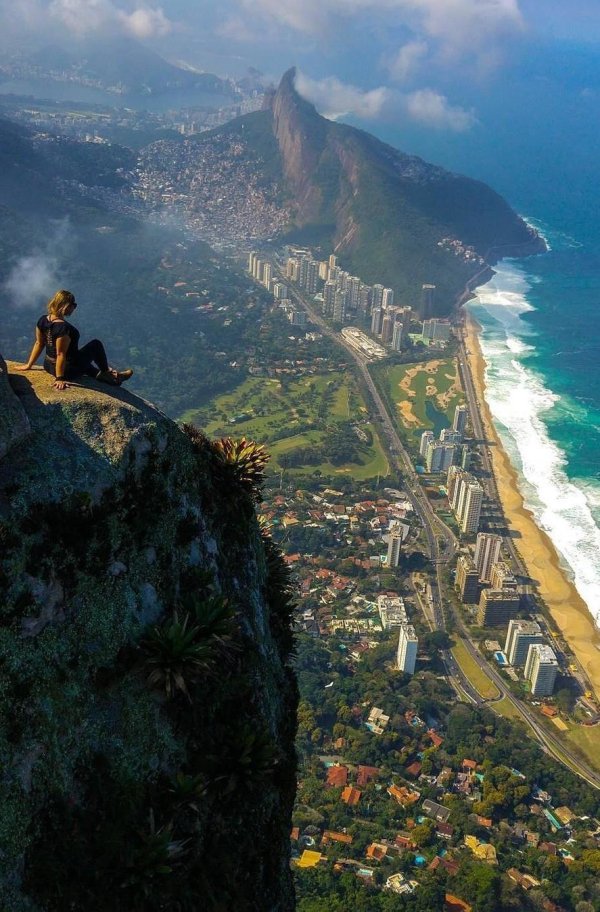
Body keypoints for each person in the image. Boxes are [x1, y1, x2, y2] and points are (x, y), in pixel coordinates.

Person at [16, 289, 133, 391]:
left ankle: (109, 377)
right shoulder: (64, 328)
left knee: (81, 359)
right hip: (67, 370)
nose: (74, 308)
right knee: (95, 345)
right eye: (74, 305)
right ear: (66, 306)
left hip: (48, 365)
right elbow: (60, 354)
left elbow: (39, 343)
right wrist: (60, 378)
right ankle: (106, 372)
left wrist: (28, 365)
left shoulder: (43, 320)